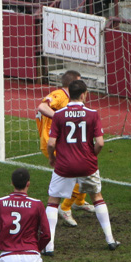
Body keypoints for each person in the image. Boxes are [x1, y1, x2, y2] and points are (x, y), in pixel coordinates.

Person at [45, 79, 119, 254]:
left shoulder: (58, 115)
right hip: (87, 164)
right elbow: (100, 143)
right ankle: (110, 240)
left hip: (64, 165)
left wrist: (52, 158)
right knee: (97, 197)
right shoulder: (93, 114)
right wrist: (92, 155)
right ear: (84, 94)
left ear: (69, 94)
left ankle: (49, 246)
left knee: (53, 201)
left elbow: (51, 143)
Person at [35, 70, 90, 229]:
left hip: (63, 142)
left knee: (84, 168)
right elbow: (41, 106)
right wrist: (59, 118)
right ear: (72, 83)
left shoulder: (71, 99)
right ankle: (64, 208)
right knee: (79, 171)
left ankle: (78, 202)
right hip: (52, 143)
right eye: (79, 81)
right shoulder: (59, 95)